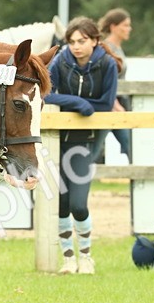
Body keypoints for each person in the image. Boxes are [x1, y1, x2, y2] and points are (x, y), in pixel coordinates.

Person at [43, 16, 119, 275]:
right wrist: (77, 103)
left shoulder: (107, 64)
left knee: (78, 203)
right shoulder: (60, 61)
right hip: (60, 138)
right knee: (61, 202)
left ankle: (86, 257)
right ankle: (69, 259)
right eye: (72, 41)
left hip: (89, 139)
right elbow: (45, 93)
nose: (76, 46)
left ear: (95, 41)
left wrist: (83, 106)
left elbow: (106, 104)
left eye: (82, 41)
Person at [98, 8, 132, 163]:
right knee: (129, 145)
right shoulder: (107, 48)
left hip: (121, 101)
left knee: (130, 144)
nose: (129, 29)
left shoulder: (117, 48)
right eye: (125, 25)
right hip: (112, 103)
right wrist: (115, 104)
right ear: (113, 27)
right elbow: (104, 79)